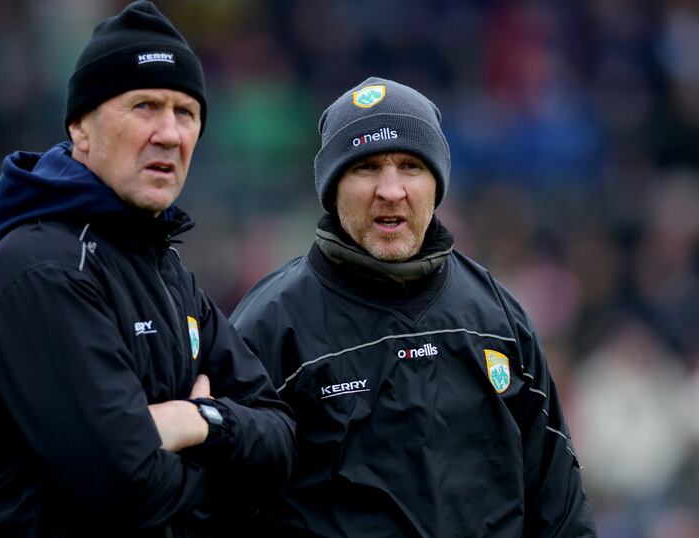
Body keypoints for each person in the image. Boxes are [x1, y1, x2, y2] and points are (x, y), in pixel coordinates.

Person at [0, 2, 295, 536]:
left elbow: (281, 439)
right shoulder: (40, 267)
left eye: (185, 113)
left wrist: (196, 420)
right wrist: (226, 472)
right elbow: (126, 487)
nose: (170, 133)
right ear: (81, 130)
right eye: (145, 106)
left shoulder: (167, 270)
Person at [231, 77, 597, 537]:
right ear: (332, 186)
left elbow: (560, 508)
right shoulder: (268, 326)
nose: (391, 190)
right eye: (366, 167)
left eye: (410, 166)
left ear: (437, 183)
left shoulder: (498, 318)